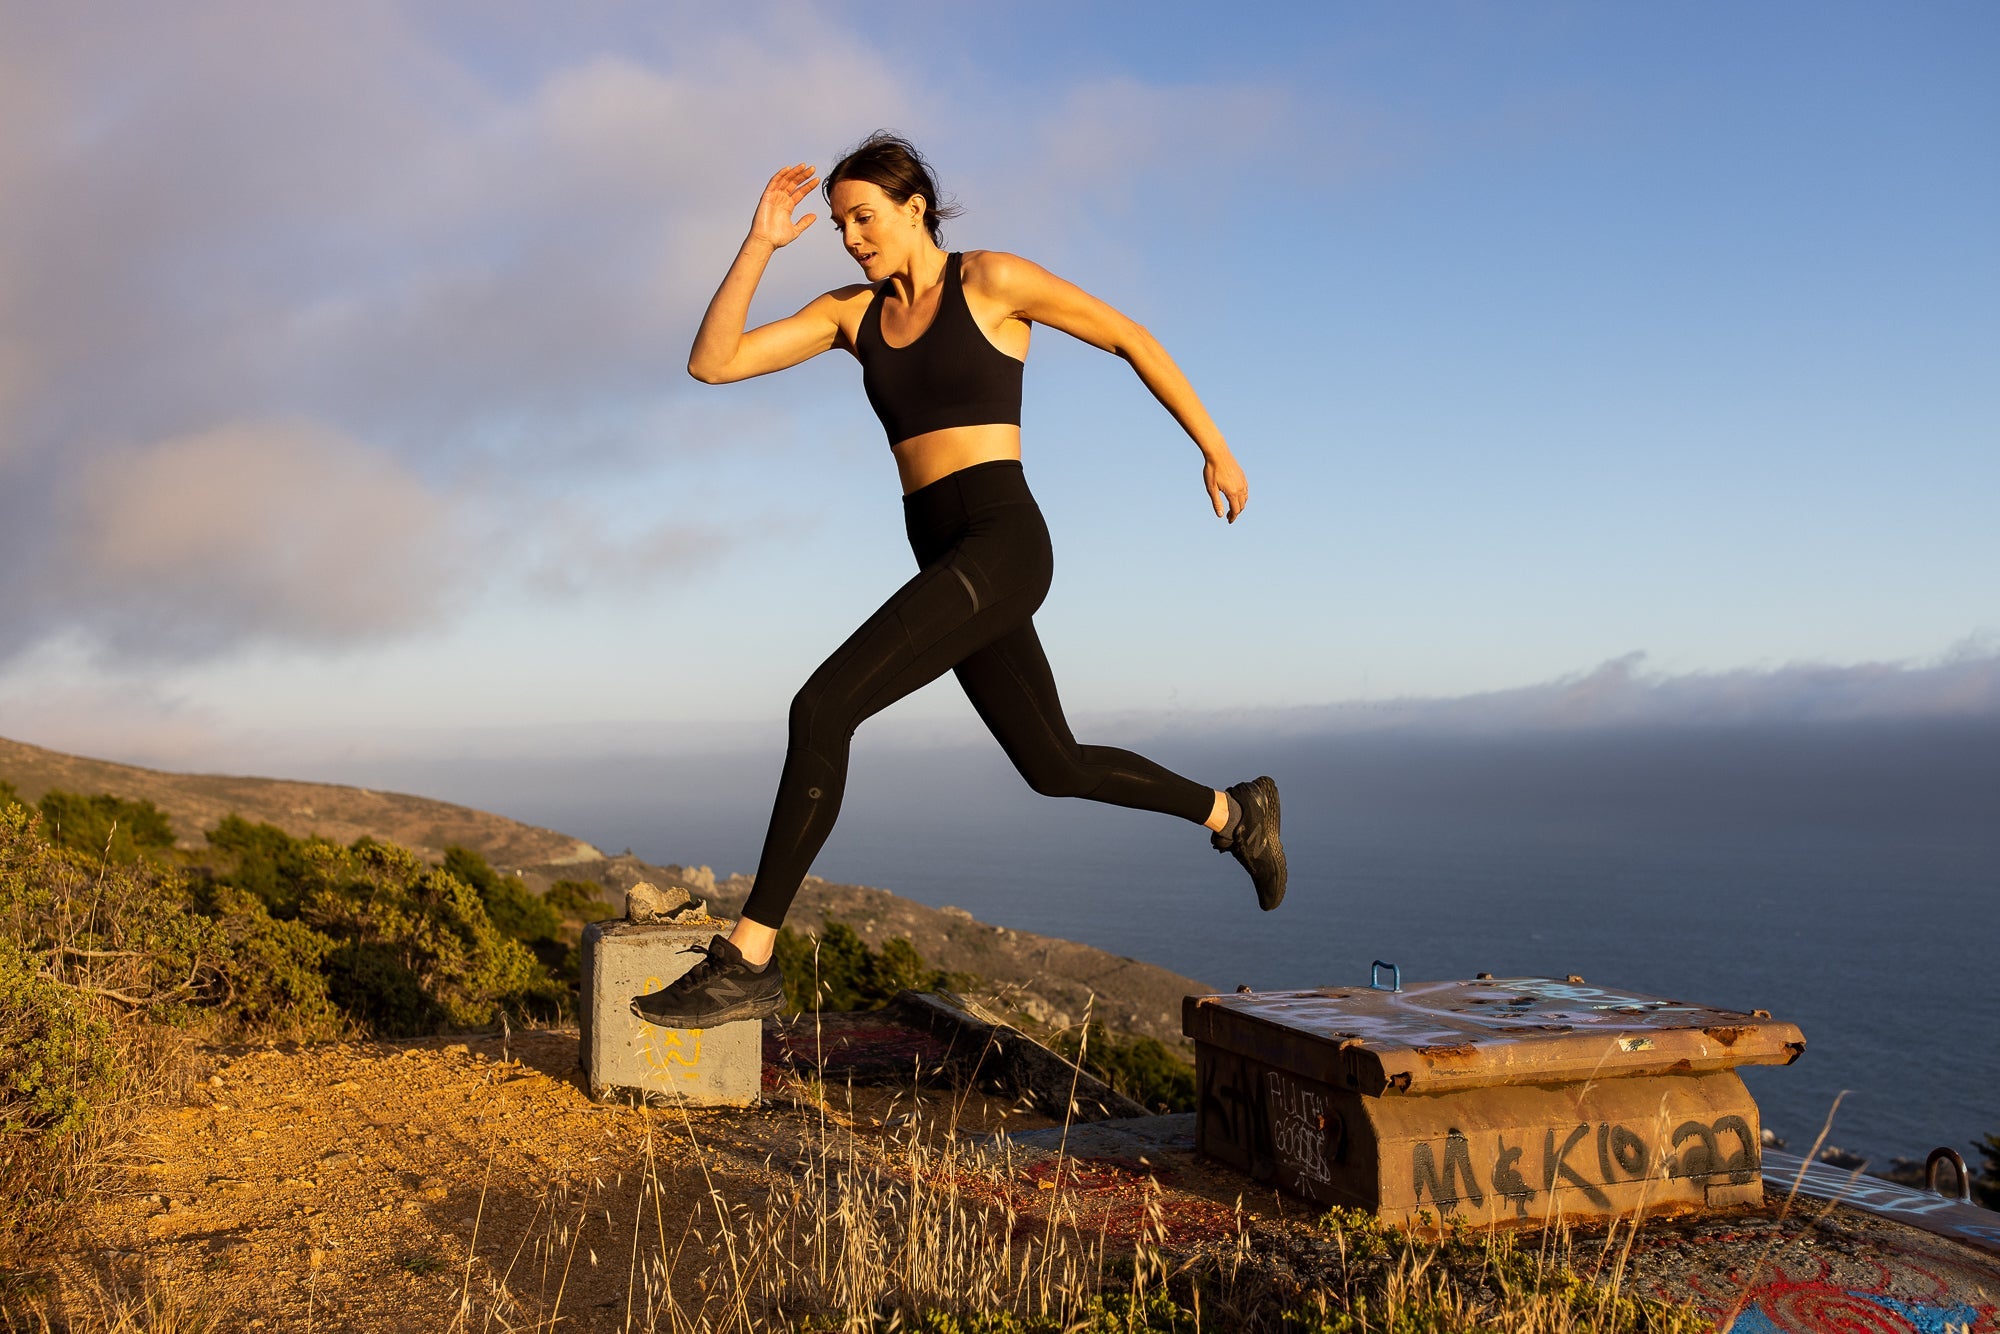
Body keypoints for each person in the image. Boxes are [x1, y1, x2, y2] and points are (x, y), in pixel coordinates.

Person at [632, 133, 1284, 1028]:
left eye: (864, 217)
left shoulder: (990, 281)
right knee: (1053, 764)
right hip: (943, 557)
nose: (851, 238)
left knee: (822, 709)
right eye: (839, 225)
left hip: (1002, 543)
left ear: (915, 208)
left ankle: (749, 958)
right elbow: (714, 362)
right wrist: (759, 244)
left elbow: (1128, 337)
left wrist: (1214, 448)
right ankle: (1235, 814)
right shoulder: (851, 316)